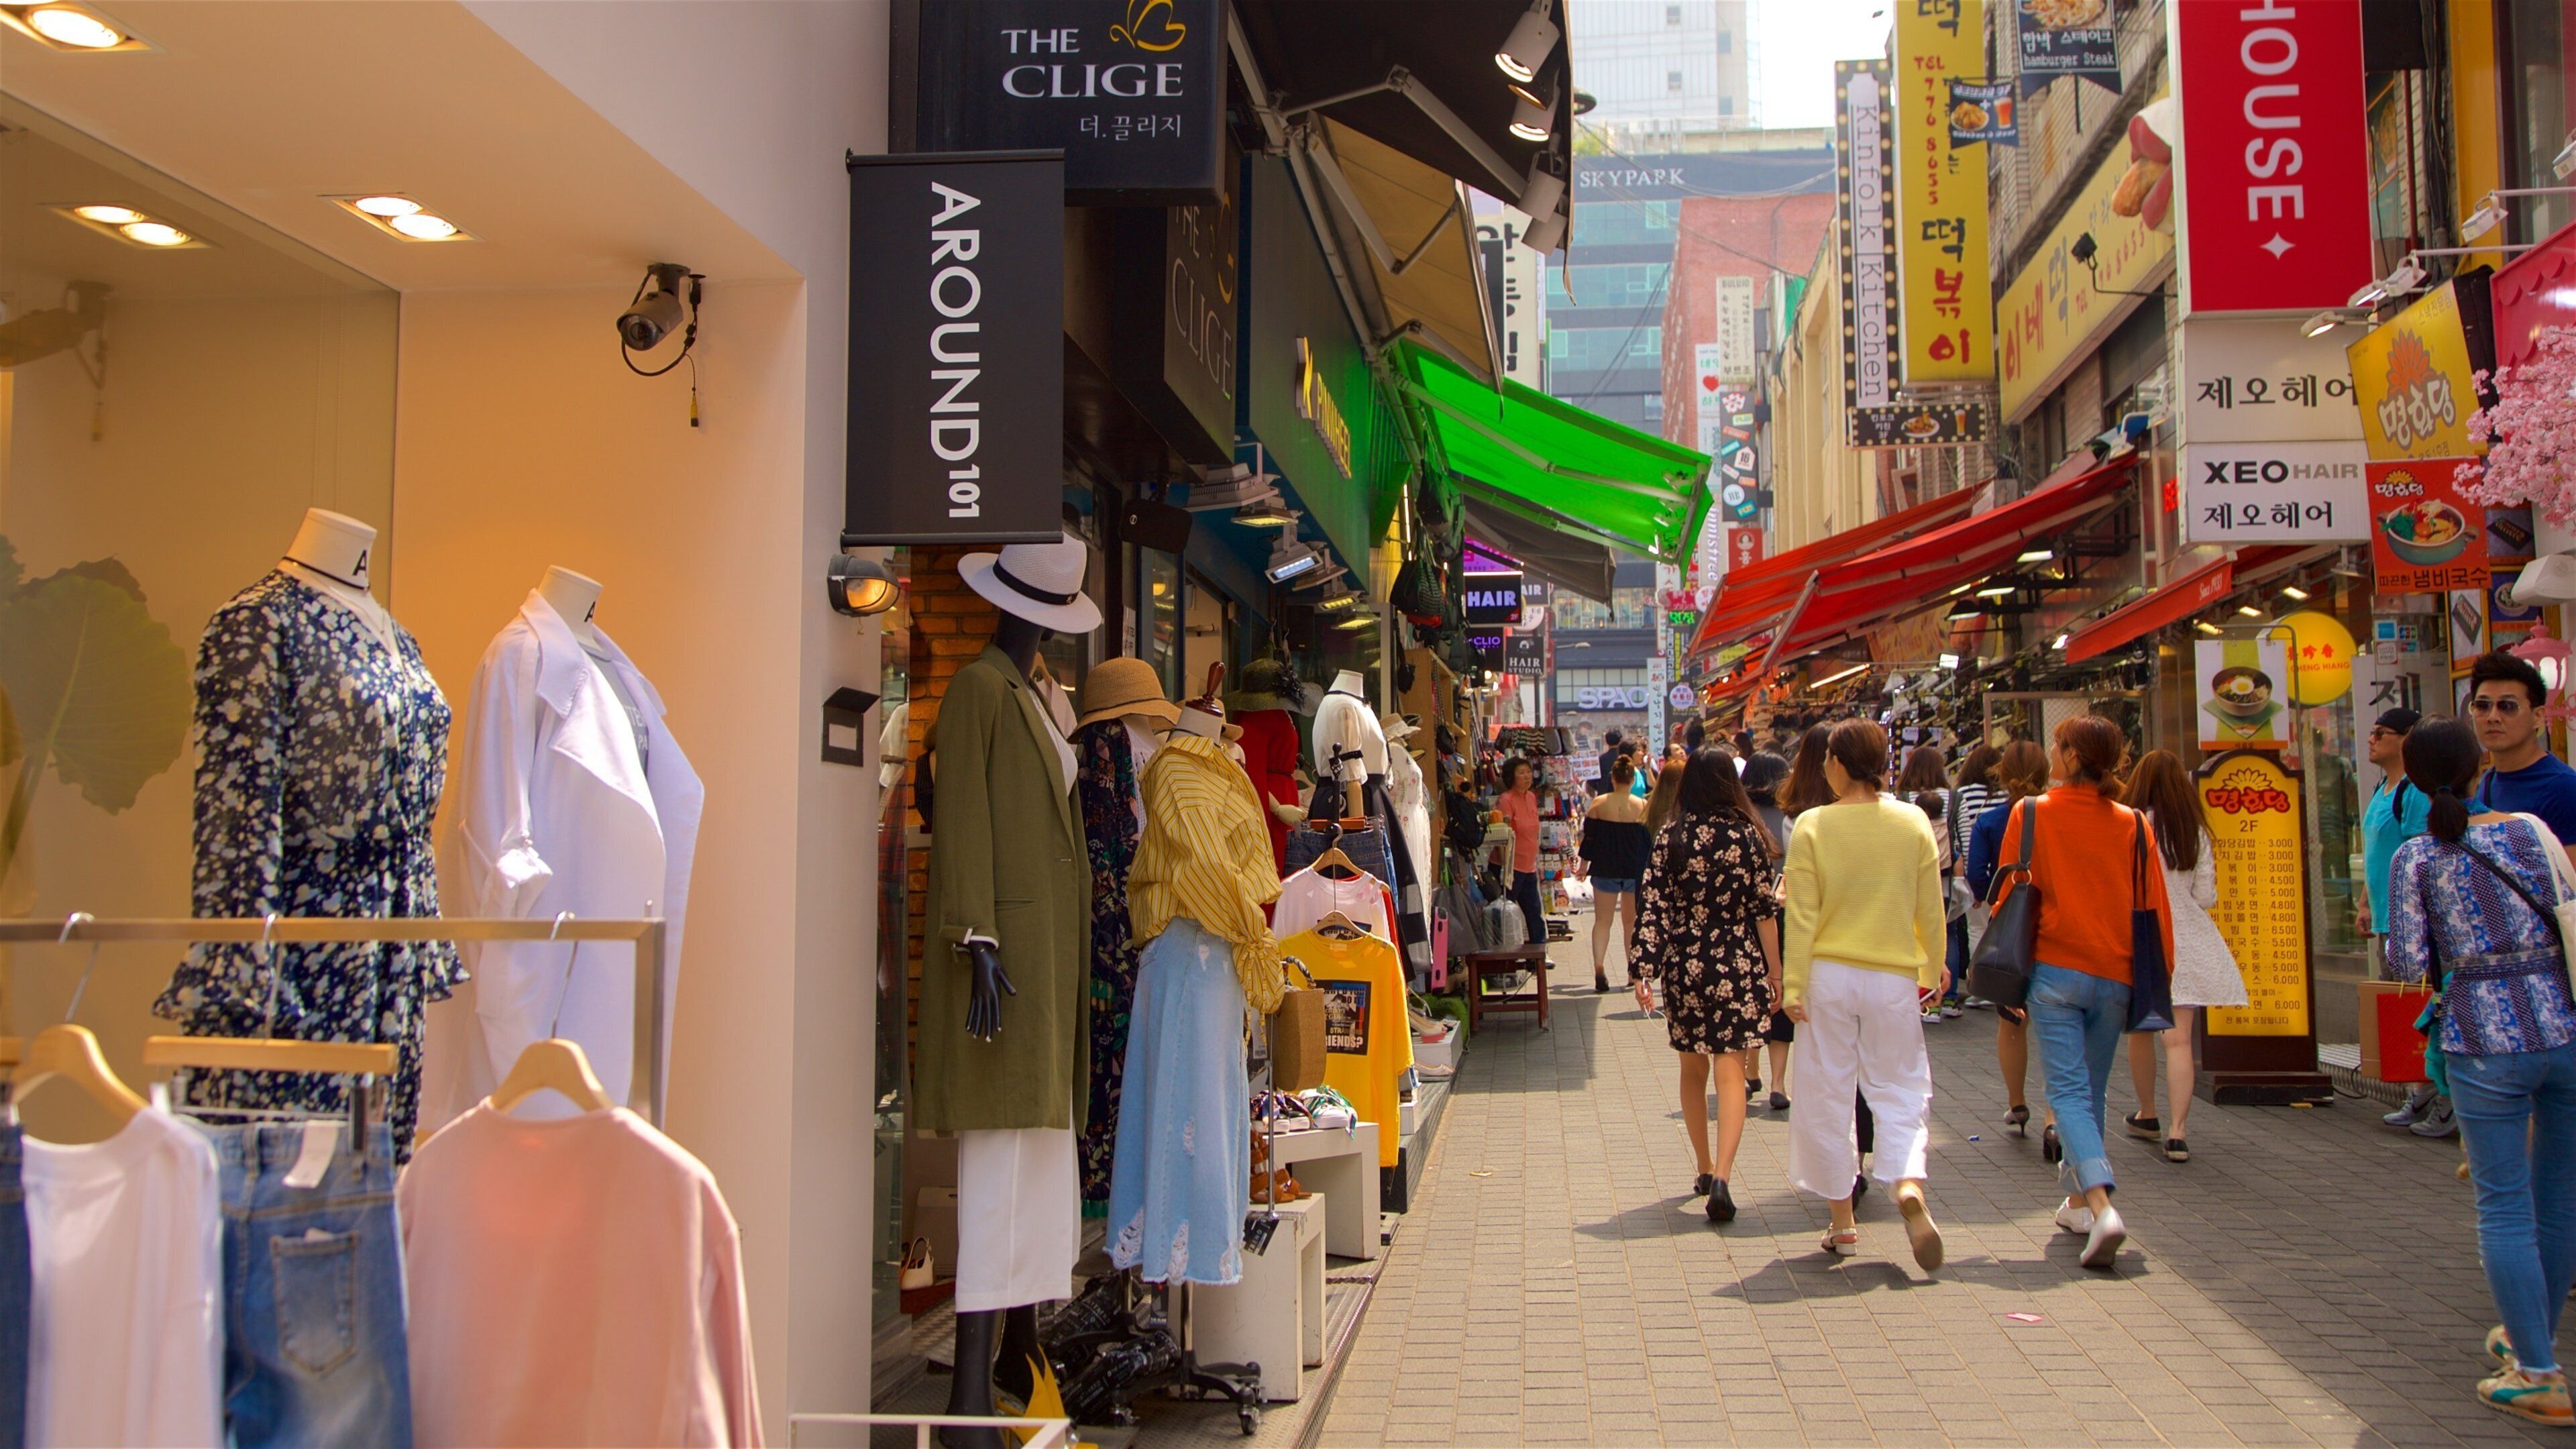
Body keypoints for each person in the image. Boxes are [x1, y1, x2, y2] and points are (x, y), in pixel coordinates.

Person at [2383, 717, 2576, 1426]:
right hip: (2564, 1020)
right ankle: (2535, 1340)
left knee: (2503, 1204)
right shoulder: (2530, 829)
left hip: (2483, 1034)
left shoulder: (2419, 856)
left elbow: (2404, 962)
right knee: (2558, 1198)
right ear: (2476, 767)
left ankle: (2539, 1370)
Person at [1995, 716, 2174, 1271]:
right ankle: (2075, 1205)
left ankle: (2101, 1203)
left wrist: (2006, 979)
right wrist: (2158, 977)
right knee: (2091, 1092)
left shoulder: (2031, 815)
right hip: (2116, 975)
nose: (2052, 752)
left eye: (2058, 744)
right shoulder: (2133, 825)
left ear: (2073, 757)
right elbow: (2155, 912)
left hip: (2054, 974)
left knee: (2068, 1094)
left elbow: (2006, 897)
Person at [1782, 720, 1949, 1271]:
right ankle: (1906, 1182)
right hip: (1893, 975)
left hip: (1828, 973)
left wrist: (1794, 985)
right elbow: (1930, 905)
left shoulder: (1812, 826)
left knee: (1827, 1090)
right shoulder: (1912, 821)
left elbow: (1802, 915)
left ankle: (1843, 1222)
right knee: (1900, 1084)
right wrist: (1935, 965)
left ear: (1837, 762)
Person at [1632, 749, 1783, 1225]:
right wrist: (1776, 973)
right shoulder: (1748, 836)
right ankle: (1724, 1175)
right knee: (1731, 1069)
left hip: (1686, 963)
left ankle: (1702, 1166)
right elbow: (1764, 911)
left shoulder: (1670, 837)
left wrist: (1644, 970)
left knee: (1692, 1069)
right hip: (1738, 960)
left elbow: (1651, 906)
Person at [2118, 750, 2247, 1163]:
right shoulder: (2193, 830)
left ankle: (2148, 1113)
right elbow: (2206, 896)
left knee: (2141, 1032)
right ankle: (2178, 1132)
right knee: (2179, 1042)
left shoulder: (2132, 826)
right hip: (2187, 939)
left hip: (2142, 938)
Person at [2357, 707, 2450, 1135]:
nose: (2372, 739)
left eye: (2382, 733)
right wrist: (2365, 903)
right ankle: (2421, 1090)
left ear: (2407, 739)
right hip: (2386, 918)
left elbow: (2419, 855)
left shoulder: (2413, 792)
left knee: (2427, 1006)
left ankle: (2442, 1097)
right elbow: (2378, 852)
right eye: (2372, 732)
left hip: (2410, 922)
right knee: (2407, 1007)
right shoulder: (2383, 788)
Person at [1966, 739, 2051, 1134]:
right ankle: (2055, 1116)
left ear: (2001, 774)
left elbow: (1980, 872)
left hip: (2010, 928)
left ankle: (2017, 1103)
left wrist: (1991, 901)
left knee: (2011, 1021)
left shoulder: (1990, 820)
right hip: (2054, 927)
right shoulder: (2058, 814)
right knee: (2056, 1026)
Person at [2471, 650, 2576, 867]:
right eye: (2482, 706)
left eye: (2507, 706)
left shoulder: (2563, 788)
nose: (2493, 717)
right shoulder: (2487, 781)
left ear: (2538, 716)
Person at [1743, 753, 1796, 1110]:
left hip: (1745, 917)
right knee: (1779, 992)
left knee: (1750, 992)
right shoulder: (1796, 820)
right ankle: (1778, 1083)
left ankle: (1750, 1072)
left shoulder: (1741, 820)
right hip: (1786, 915)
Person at [1897, 745, 1964, 1022]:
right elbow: (1960, 836)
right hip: (1946, 874)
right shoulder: (1953, 798)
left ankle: (1925, 993)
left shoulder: (1902, 798)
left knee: (1918, 930)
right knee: (1949, 930)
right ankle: (1950, 996)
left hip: (1914, 872)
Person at [1577, 756, 1652, 994]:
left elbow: (1589, 839)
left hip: (1605, 867)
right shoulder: (1642, 806)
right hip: (1633, 870)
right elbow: (1648, 843)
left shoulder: (1599, 804)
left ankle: (1599, 967)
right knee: (1631, 922)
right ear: (1632, 780)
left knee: (1602, 921)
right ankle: (1633, 971)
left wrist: (1583, 866)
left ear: (1613, 779)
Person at [1948, 743, 2004, 1004]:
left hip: (1977, 871)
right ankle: (2001, 983)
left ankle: (1980, 986)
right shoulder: (2007, 794)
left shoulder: (1964, 794)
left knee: (1977, 929)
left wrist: (1972, 878)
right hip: (2005, 873)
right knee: (2003, 930)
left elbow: (1965, 837)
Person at [1495, 755, 1546, 947]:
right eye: (1521, 773)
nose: (1527, 776)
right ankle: (1503, 955)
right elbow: (1503, 834)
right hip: (1511, 868)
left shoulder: (1532, 797)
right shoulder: (1506, 800)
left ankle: (1539, 953)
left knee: (1534, 911)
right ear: (1511, 777)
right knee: (1505, 912)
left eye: (1528, 772)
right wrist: (1504, 867)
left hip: (1528, 866)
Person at [1644, 743, 1691, 834]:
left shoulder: (1691, 769)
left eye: (1681, 748)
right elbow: (1654, 786)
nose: (1682, 751)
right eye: (1677, 750)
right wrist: (1648, 769)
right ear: (1669, 757)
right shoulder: (1666, 772)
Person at [1597, 729, 1626, 793]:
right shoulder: (1624, 758)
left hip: (1604, 794)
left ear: (1606, 741)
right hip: (1622, 793)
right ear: (1620, 740)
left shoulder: (1601, 759)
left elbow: (1593, 781)